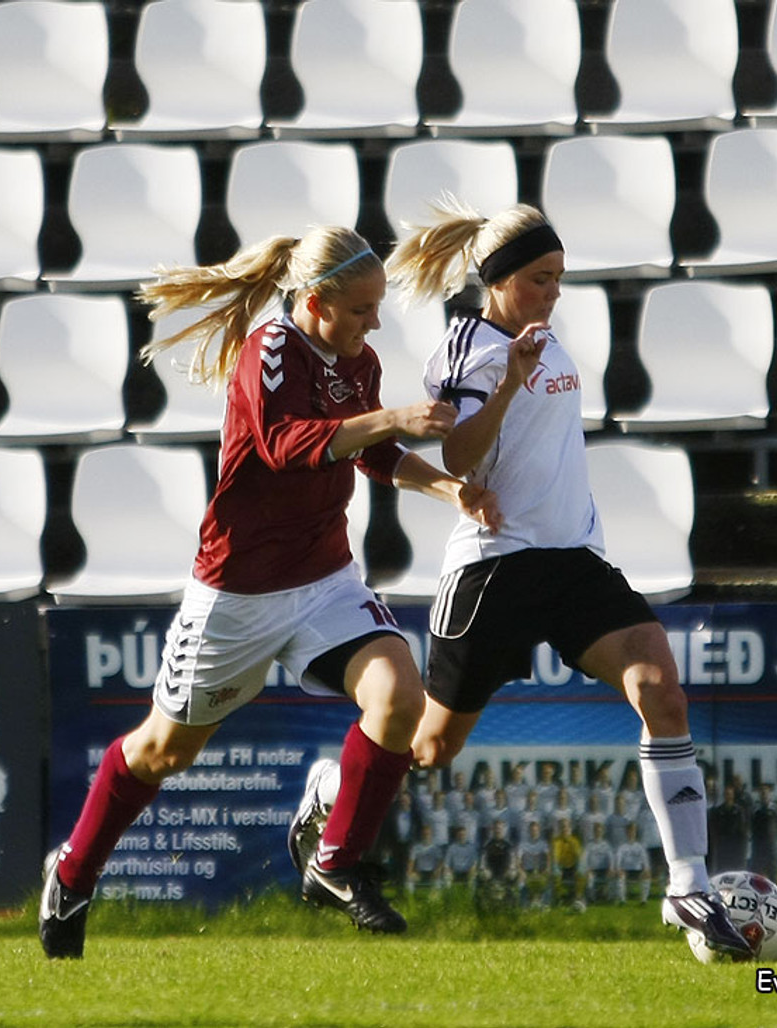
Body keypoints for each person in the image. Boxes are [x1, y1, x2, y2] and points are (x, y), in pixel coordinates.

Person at [290, 199, 751, 958]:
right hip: (493, 571)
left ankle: (687, 885)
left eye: (559, 277)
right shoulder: (468, 348)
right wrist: (508, 382)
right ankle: (330, 790)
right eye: (540, 278)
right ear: (498, 281)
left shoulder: (542, 336)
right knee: (430, 749)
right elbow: (459, 457)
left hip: (575, 562)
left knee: (660, 691)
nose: (554, 292)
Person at [38, 226, 501, 959]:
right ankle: (72, 873)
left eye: (377, 308)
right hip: (238, 594)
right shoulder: (270, 352)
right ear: (315, 302)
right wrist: (394, 417)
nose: (374, 323)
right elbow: (289, 446)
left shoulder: (359, 359)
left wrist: (450, 490)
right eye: (361, 309)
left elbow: (371, 452)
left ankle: (335, 861)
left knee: (399, 699)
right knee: (163, 752)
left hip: (324, 580)